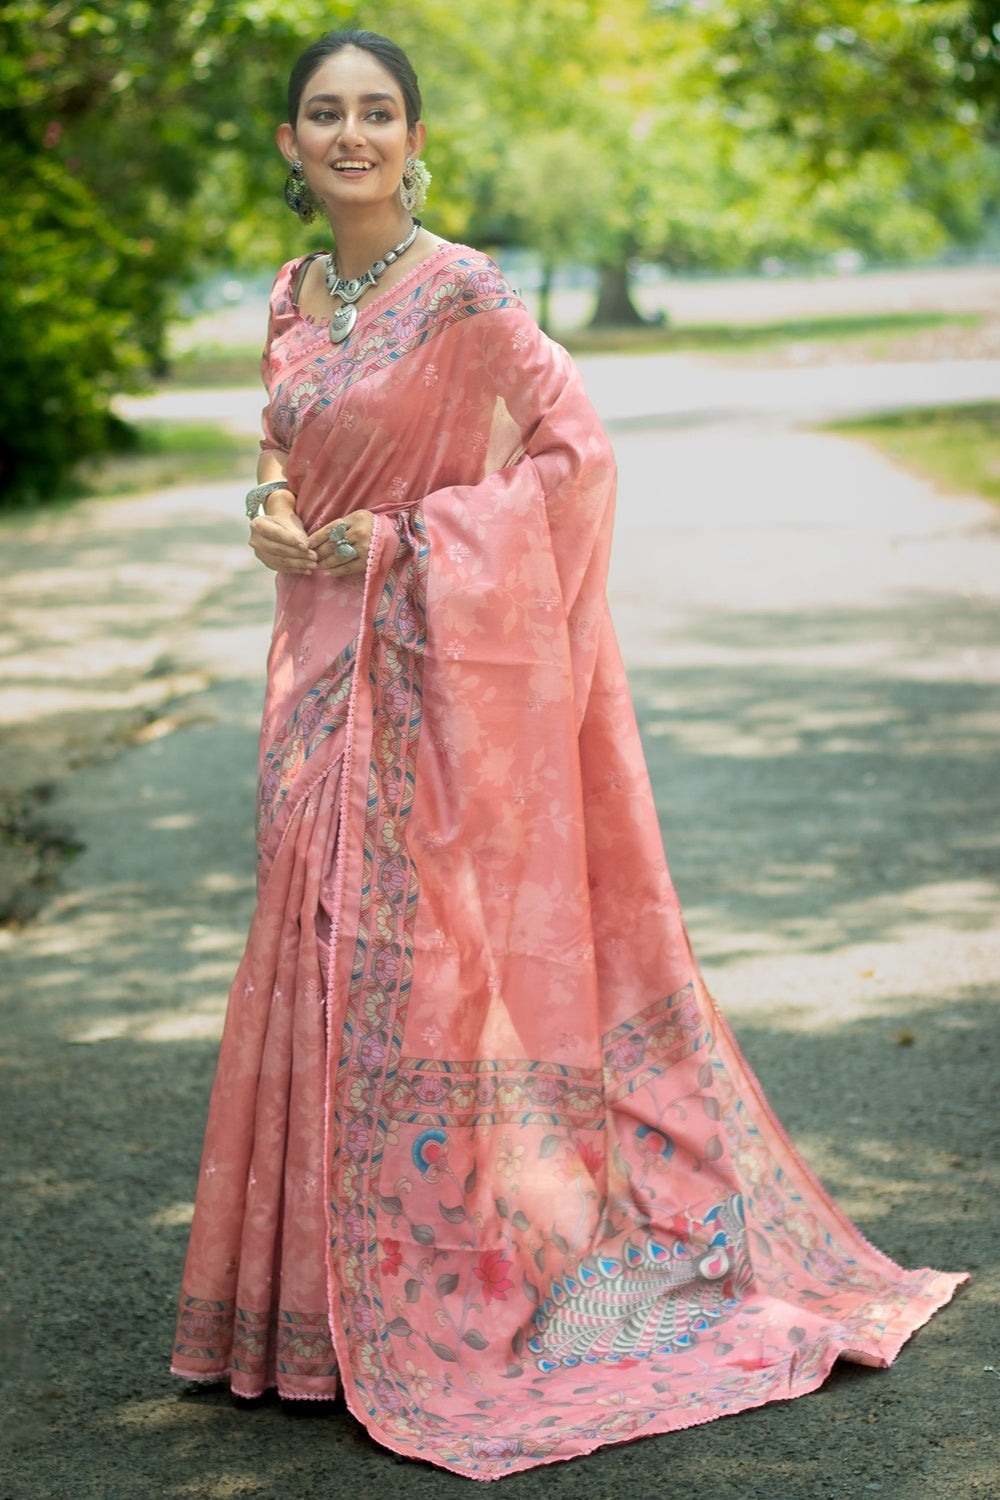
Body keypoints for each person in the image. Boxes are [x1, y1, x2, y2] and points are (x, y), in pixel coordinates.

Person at [171, 28, 966, 1480]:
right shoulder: (289, 296)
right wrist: (269, 500)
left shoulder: (466, 293)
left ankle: (429, 1284)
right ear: (289, 145)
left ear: (417, 141)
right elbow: (281, 437)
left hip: (418, 675)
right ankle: (294, 1311)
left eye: (379, 113)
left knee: (398, 968)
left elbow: (573, 457)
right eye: (324, 114)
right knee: (305, 946)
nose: (352, 134)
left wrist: (409, 542)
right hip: (308, 674)